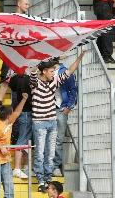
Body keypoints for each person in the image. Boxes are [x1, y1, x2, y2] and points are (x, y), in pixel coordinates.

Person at [31, 51, 84, 192]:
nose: (54, 73)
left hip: (52, 122)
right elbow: (32, 71)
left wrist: (79, 58)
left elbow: (69, 71)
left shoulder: (54, 81)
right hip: (39, 123)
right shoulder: (35, 83)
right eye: (51, 71)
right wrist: (40, 58)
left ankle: (48, 179)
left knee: (50, 153)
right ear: (44, 71)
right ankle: (41, 181)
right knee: (40, 153)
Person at [0, 92, 28, 198]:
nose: (14, 114)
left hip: (5, 159)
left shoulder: (9, 123)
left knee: (9, 187)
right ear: (8, 116)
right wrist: (1, 148)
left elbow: (17, 112)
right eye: (12, 113)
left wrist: (24, 99)